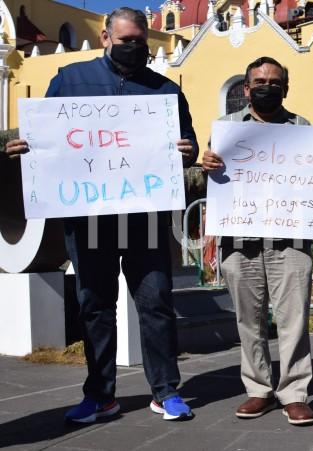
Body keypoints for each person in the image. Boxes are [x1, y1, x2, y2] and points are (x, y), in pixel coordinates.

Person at [4, 7, 198, 422]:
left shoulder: (164, 89)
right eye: (125, 39)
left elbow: (190, 143)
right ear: (106, 38)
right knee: (94, 306)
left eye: (140, 41)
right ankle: (100, 395)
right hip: (89, 218)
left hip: (144, 218)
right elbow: (44, 139)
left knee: (156, 303)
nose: (134, 47)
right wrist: (24, 147)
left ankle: (165, 392)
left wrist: (188, 150)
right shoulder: (70, 80)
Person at [202, 56, 313, 426]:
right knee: (248, 321)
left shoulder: (301, 127)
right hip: (239, 239)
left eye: (274, 82)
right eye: (259, 81)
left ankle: (293, 393)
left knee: (294, 320)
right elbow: (213, 176)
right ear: (246, 88)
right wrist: (206, 163)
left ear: (285, 89)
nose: (266, 87)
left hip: (291, 239)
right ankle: (258, 390)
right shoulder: (225, 128)